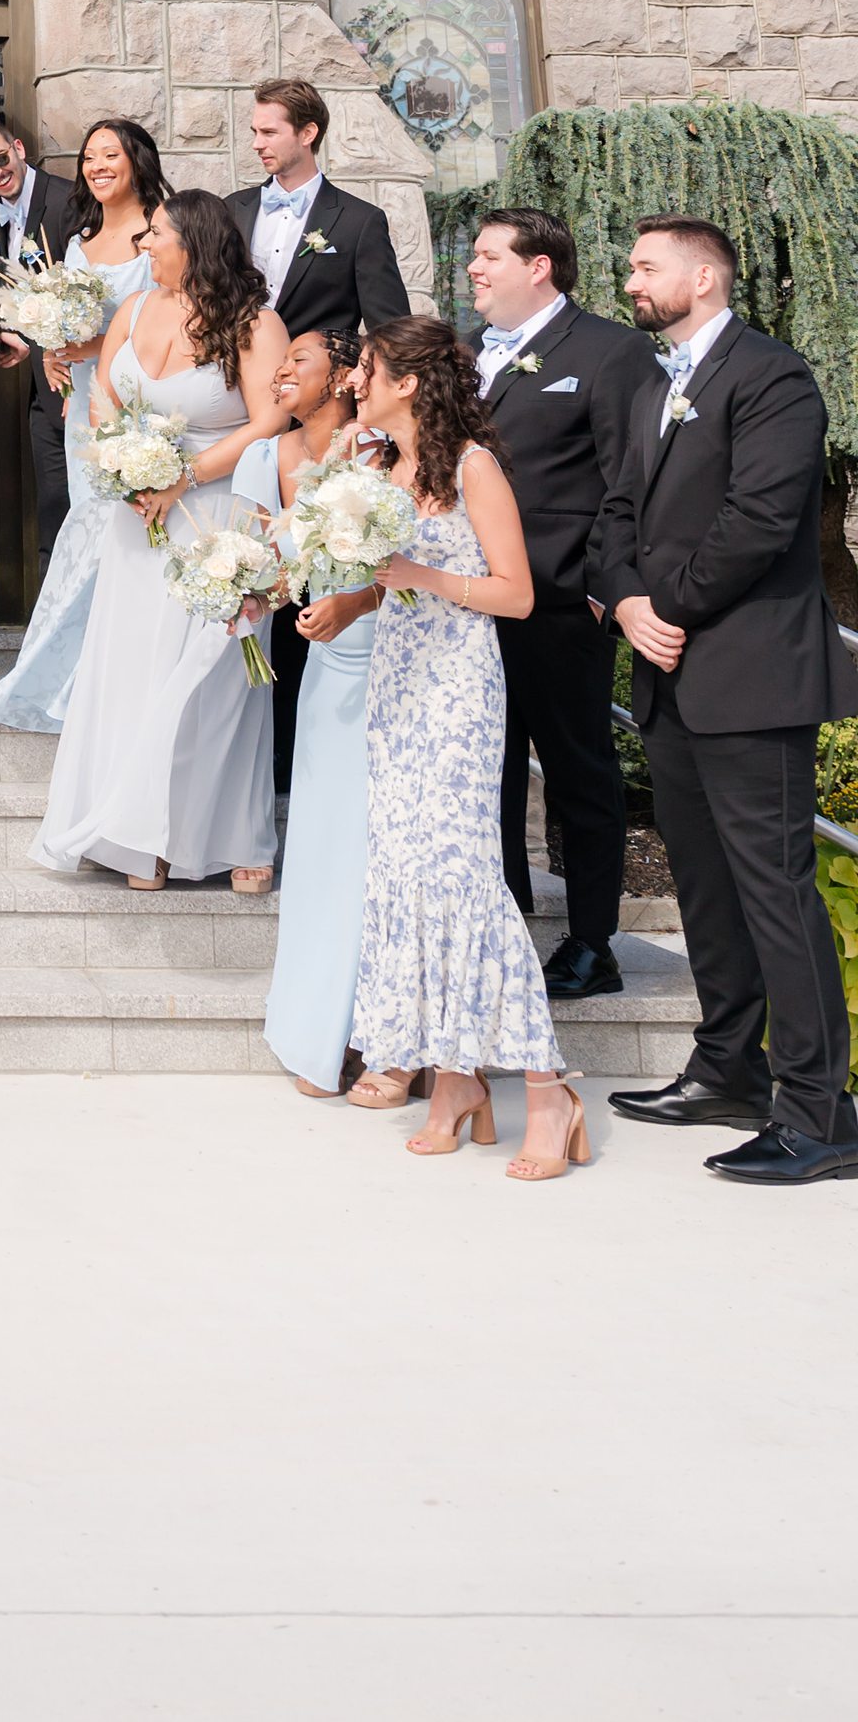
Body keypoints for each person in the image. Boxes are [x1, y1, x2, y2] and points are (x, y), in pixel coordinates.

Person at [598, 215, 858, 1186]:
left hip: (751, 675)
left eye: (646, 266)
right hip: (667, 677)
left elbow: (761, 517)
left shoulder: (772, 376)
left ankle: (821, 1112)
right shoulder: (652, 382)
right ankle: (725, 1068)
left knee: (776, 897)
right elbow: (614, 508)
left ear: (704, 276)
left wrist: (664, 604)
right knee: (707, 892)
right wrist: (625, 600)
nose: (632, 279)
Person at [344, 315, 581, 1178]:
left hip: (459, 686)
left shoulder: (475, 465)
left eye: (366, 365)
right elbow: (376, 576)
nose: (354, 376)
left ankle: (550, 1092)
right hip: (396, 682)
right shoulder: (377, 467)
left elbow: (517, 594)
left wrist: (423, 576)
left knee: (463, 879)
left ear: (408, 381)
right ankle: (454, 1080)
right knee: (406, 876)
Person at [29, 192, 289, 893]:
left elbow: (269, 420)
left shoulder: (255, 325)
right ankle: (143, 835)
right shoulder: (133, 310)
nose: (145, 242)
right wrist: (125, 458)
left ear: (196, 242)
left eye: (159, 233)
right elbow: (104, 395)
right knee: (137, 669)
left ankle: (234, 833)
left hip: (216, 514)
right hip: (138, 518)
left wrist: (185, 474)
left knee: (216, 678)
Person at [467, 205, 665, 1002]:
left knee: (580, 772)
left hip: (558, 606)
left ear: (538, 264)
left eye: (488, 256)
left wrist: (599, 591)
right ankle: (507, 922)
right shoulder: (473, 352)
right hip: (472, 603)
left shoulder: (610, 350)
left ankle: (592, 941)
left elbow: (633, 481)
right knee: (492, 770)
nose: (474, 268)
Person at [225, 78, 409, 768]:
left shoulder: (358, 221)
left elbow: (386, 328)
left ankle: (297, 764)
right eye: (255, 129)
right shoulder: (235, 210)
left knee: (311, 572)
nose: (257, 141)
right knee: (243, 568)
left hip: (317, 425)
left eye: (269, 129)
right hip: (235, 417)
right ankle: (247, 753)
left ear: (307, 132)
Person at [0, 116, 164, 736]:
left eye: (110, 154)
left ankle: (124, 670)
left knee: (125, 530)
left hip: (139, 400)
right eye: (89, 156)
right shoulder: (80, 236)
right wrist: (51, 343)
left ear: (136, 158)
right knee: (85, 529)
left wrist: (89, 347)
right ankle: (79, 667)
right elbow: (61, 311)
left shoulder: (161, 230)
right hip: (80, 404)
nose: (97, 165)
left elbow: (164, 319)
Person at [241, 328, 390, 1099]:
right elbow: (289, 564)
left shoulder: (389, 453)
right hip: (329, 667)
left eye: (298, 358)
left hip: (392, 661)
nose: (279, 370)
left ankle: (380, 1031)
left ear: (345, 376)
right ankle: (320, 1022)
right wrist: (239, 586)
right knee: (327, 845)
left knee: (375, 849)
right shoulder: (276, 456)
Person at [0, 112, 79, 566]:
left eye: (1, 158)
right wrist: (15, 333)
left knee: (78, 510)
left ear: (19, 150)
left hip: (78, 381)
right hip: (41, 387)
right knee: (53, 510)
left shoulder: (68, 202)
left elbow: (90, 291)